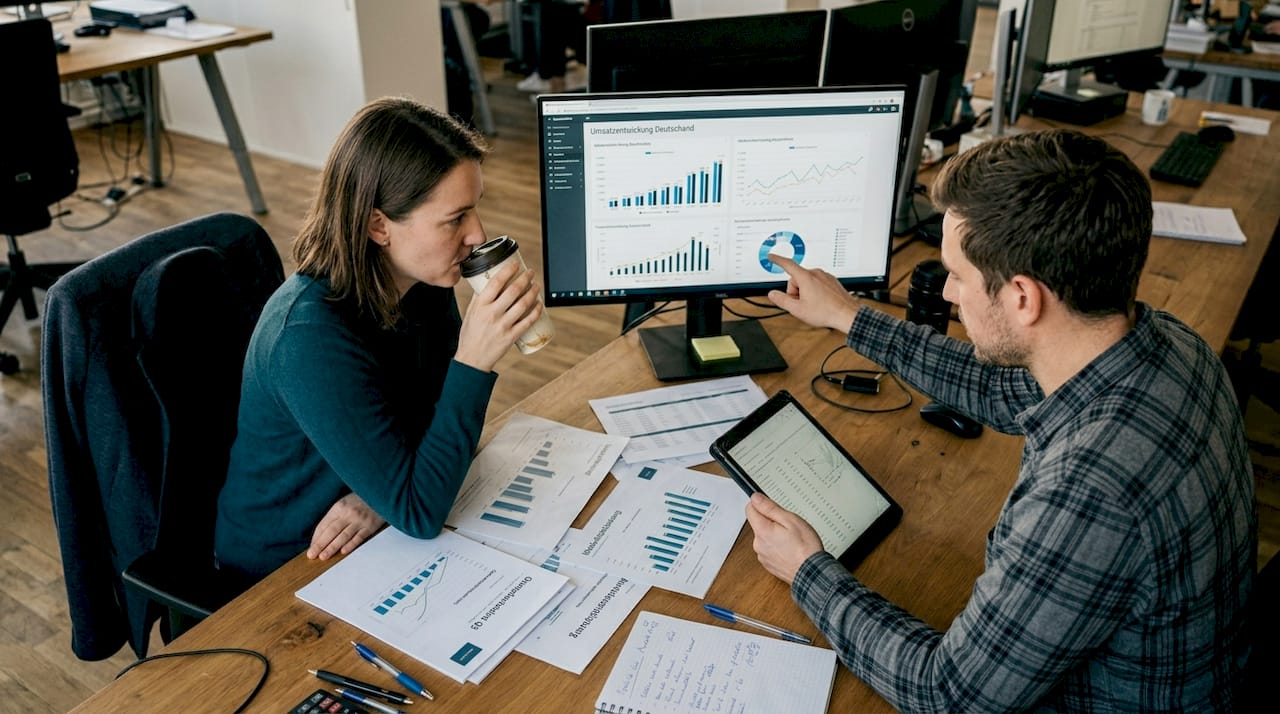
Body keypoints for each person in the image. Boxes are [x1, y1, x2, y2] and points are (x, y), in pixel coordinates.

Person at [748, 129, 1255, 709]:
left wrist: (807, 570)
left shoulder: (1091, 489)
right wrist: (848, 316)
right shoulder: (1164, 341)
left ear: (1022, 298)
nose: (951, 296)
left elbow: (948, 695)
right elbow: (998, 385)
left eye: (957, 277)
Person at [213, 97, 544, 587]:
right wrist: (473, 362)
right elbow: (420, 512)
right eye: (456, 218)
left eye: (476, 210)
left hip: (381, 519)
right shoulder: (307, 339)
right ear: (377, 225)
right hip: (288, 565)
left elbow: (429, 433)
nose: (478, 235)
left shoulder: (423, 284)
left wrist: (377, 496)